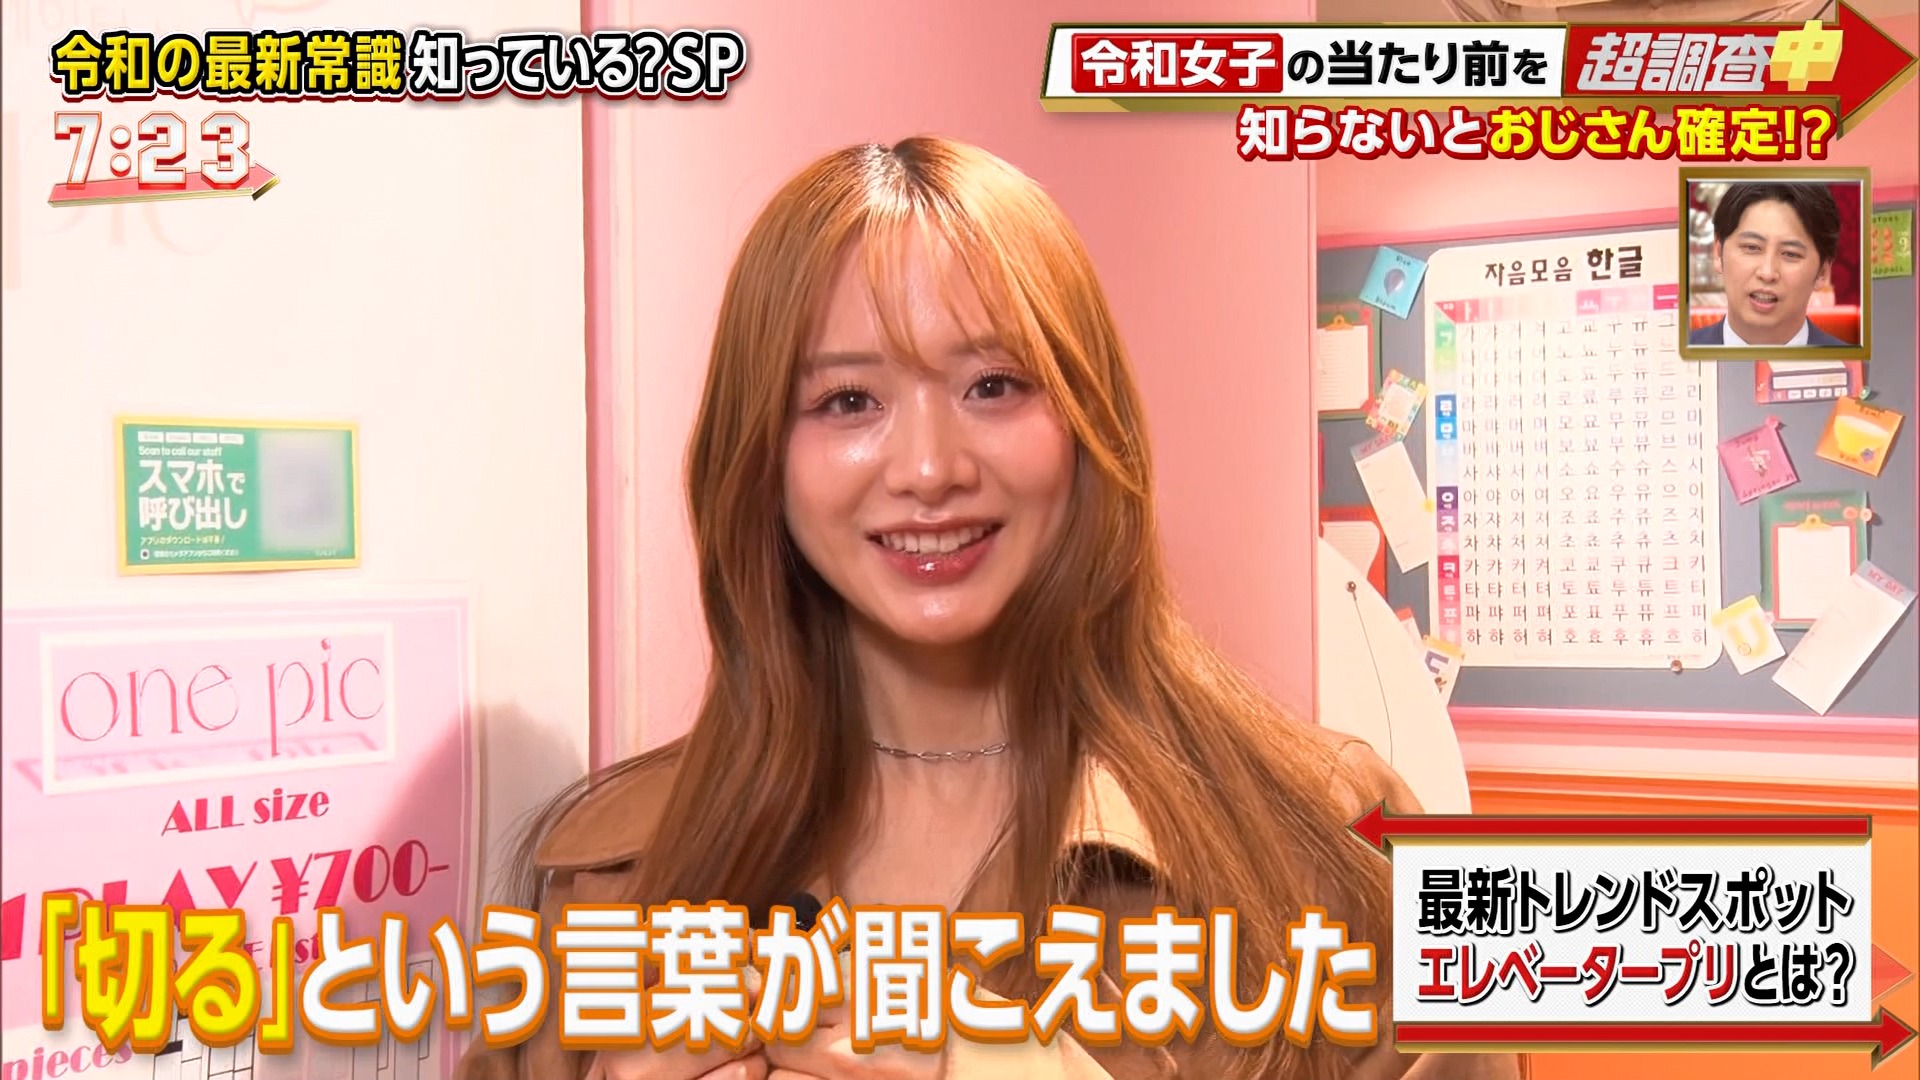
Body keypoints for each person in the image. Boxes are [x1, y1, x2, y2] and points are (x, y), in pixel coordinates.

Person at [456, 137, 1527, 1080]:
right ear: (761, 460)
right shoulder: (607, 885)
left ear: (1089, 421)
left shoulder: (1332, 841)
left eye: (994, 386)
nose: (929, 468)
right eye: (847, 401)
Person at [1691, 181, 1851, 348]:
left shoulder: (1852, 362)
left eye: (1790, 254)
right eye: (1752, 247)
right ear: (1718, 253)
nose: (1767, 273)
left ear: (1822, 273)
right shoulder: (1677, 356)